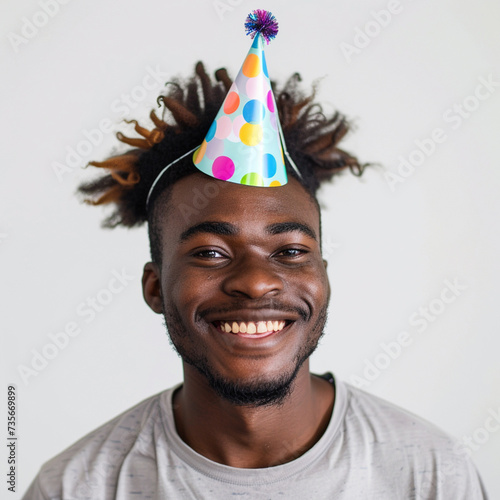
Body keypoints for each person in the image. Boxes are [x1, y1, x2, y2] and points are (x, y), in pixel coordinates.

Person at [23, 11, 488, 500]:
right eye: (210, 252)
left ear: (323, 278)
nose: (257, 281)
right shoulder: (75, 487)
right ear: (155, 287)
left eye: (289, 251)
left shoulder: (432, 475)